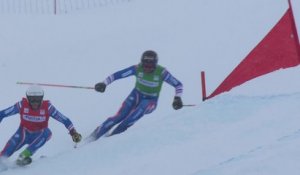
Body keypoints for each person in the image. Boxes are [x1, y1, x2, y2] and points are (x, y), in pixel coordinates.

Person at [89, 50, 183, 141]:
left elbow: (178, 85)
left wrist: (177, 98)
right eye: (145, 66)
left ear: (155, 65)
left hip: (151, 101)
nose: (147, 69)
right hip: (136, 95)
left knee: (132, 117)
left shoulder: (161, 72)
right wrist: (104, 83)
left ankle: (112, 138)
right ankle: (93, 137)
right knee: (119, 116)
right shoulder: (138, 68)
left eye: (150, 67)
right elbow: (118, 75)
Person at [0, 85, 82, 166]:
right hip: (23, 133)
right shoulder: (22, 105)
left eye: (38, 99)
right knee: (3, 156)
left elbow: (64, 119)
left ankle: (23, 156)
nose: (35, 102)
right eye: (32, 99)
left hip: (39, 134)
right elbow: (3, 113)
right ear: (28, 98)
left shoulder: (47, 107)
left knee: (47, 132)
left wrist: (73, 132)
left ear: (42, 98)